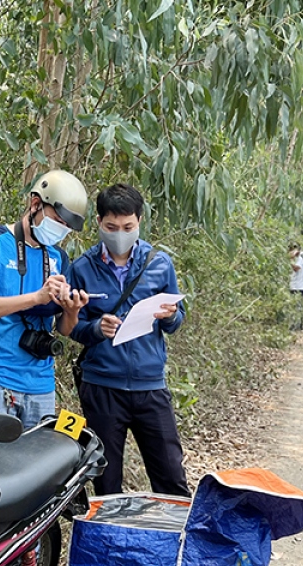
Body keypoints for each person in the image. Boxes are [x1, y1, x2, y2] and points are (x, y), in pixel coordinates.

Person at [62, 183, 188, 496]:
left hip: (150, 387)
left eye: (128, 226)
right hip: (102, 388)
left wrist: (170, 315)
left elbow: (177, 321)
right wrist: (94, 329)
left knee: (172, 478)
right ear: (99, 223)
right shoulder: (81, 269)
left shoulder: (160, 264)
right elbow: (69, 327)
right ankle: (110, 545)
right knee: (106, 483)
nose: (120, 233)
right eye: (112, 227)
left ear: (140, 222)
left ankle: (174, 543)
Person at [0, 171, 89, 438]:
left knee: (39, 474)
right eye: (57, 221)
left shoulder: (58, 257)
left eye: (67, 228)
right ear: (35, 205)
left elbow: (64, 329)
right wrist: (36, 297)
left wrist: (72, 310)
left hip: (41, 384)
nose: (60, 231)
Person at [288, 243, 303, 330]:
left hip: (297, 285)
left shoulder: (301, 257)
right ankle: (298, 325)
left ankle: (296, 325)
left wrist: (289, 260)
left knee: (296, 306)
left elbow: (296, 268)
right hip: (298, 285)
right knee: (297, 305)